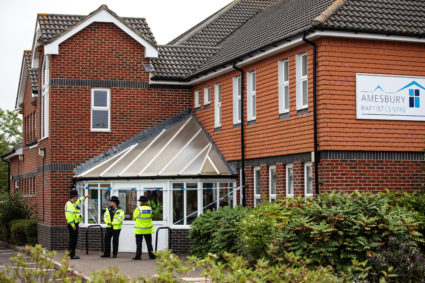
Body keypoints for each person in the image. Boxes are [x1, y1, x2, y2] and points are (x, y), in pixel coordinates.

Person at [65, 189, 88, 259]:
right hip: (73, 225)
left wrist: (85, 197)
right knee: (73, 240)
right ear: (74, 197)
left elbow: (79, 201)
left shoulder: (73, 203)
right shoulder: (69, 205)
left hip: (75, 224)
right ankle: (72, 255)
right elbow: (69, 216)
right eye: (77, 197)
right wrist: (73, 225)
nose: (77, 198)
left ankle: (70, 254)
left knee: (73, 239)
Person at [133, 196, 156, 260]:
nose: (139, 202)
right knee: (149, 243)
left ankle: (138, 256)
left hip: (139, 230)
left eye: (140, 201)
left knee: (139, 244)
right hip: (148, 229)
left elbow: (134, 217)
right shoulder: (150, 209)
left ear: (142, 202)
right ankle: (151, 256)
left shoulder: (138, 209)